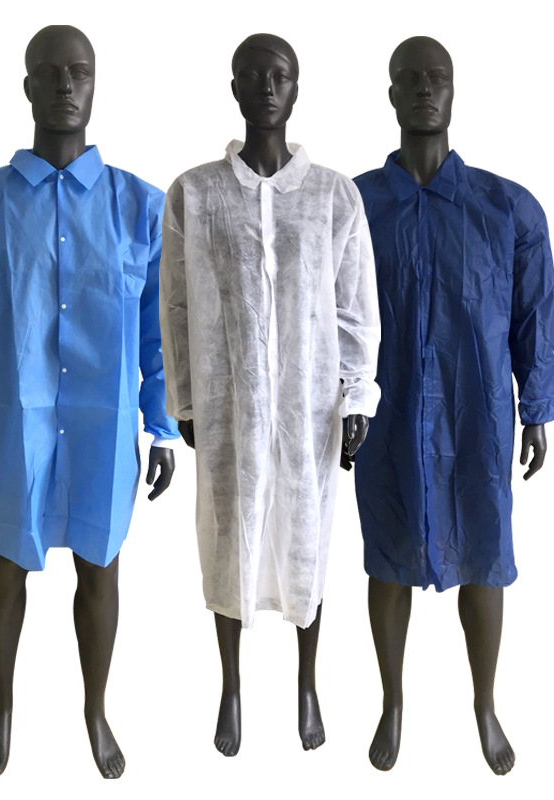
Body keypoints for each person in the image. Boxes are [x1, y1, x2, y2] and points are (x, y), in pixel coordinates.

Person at [0, 25, 179, 779]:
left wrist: (162, 425)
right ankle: (3, 704)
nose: (66, 84)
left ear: (95, 84)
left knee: (101, 568)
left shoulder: (140, 208)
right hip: (13, 427)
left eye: (80, 71)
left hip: (105, 429)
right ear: (27, 86)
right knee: (7, 567)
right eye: (50, 72)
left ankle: (95, 710)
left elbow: (163, 324)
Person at [159, 33, 380, 757]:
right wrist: (185, 400)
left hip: (308, 407)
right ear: (233, 87)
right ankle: (230, 686)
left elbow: (354, 306)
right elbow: (176, 306)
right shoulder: (195, 192)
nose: (265, 86)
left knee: (307, 537)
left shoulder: (333, 195)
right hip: (228, 404)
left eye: (278, 75)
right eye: (251, 75)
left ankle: (307, 684)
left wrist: (356, 396)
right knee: (229, 538)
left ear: (296, 87)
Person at [353, 35, 554, 775]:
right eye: (409, 78)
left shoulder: (507, 208)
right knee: (387, 550)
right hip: (384, 410)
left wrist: (536, 407)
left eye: (436, 77)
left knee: (486, 551)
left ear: (453, 89)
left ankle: (485, 703)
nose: (423, 89)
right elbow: (328, 315)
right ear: (390, 94)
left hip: (478, 409)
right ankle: (392, 701)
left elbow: (534, 314)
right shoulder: (356, 205)